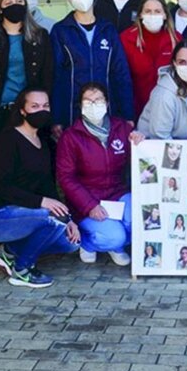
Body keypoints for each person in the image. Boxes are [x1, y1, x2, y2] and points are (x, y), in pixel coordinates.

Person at [0, 89, 79, 288]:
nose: (41, 110)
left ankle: (10, 251)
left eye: (45, 106)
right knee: (52, 219)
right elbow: (0, 186)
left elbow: (48, 187)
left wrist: (68, 219)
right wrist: (42, 203)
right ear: (22, 110)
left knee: (71, 242)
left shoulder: (45, 141)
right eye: (35, 106)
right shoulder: (8, 139)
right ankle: (22, 270)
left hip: (26, 212)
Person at [56, 83, 134, 266]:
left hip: (117, 194)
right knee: (115, 236)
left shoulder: (122, 129)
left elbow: (140, 159)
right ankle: (90, 243)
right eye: (88, 101)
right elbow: (66, 178)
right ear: (80, 105)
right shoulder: (71, 137)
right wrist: (89, 205)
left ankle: (116, 242)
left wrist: (140, 139)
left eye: (98, 100)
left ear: (106, 103)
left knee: (142, 221)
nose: (93, 105)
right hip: (87, 201)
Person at [0, 0, 52, 176]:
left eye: (19, 1)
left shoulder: (39, 36)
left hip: (30, 112)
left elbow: (47, 76)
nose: (15, 5)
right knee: (2, 166)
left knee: (31, 166)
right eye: (8, 2)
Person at [50, 0, 133, 136]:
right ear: (69, 0)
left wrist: (128, 114)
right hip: (73, 111)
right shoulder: (60, 31)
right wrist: (57, 118)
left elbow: (121, 74)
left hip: (107, 108)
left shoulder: (107, 30)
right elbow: (56, 77)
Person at [120, 0, 180, 118]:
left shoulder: (176, 39)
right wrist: (127, 115)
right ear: (140, 14)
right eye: (148, 11)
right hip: (136, 109)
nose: (153, 15)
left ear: (165, 15)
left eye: (157, 11)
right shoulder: (126, 39)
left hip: (168, 110)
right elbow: (121, 78)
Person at [137, 40, 187, 140]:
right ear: (174, 64)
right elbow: (160, 137)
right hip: (166, 150)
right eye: (182, 62)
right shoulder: (164, 95)